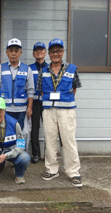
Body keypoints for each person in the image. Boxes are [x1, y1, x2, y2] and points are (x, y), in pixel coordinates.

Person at [38, 38, 83, 187]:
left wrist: (63, 102)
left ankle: (73, 172)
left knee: (68, 141)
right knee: (49, 141)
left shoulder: (72, 69)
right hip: (49, 111)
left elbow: (74, 89)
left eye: (58, 51)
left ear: (63, 52)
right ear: (49, 54)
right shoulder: (43, 71)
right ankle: (52, 169)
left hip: (66, 111)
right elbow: (42, 90)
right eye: (53, 51)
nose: (55, 54)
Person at [0, 38, 34, 130]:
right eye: (11, 51)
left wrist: (29, 108)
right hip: (5, 109)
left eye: (16, 51)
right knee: (6, 132)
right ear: (7, 53)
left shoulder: (27, 69)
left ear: (20, 53)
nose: (14, 53)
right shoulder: (1, 68)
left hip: (21, 110)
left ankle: (19, 145)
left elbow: (30, 91)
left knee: (20, 133)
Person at [29, 42, 48, 163]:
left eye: (41, 50)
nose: (39, 52)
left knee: (49, 130)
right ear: (33, 54)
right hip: (34, 103)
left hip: (47, 103)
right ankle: (36, 154)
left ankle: (48, 155)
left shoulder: (51, 67)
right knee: (34, 129)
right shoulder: (29, 68)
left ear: (45, 52)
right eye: (36, 50)